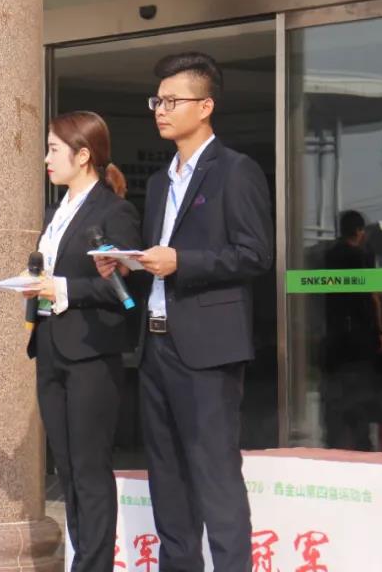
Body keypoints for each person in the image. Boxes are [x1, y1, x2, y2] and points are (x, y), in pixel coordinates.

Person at [96, 52, 273, 572]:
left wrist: (182, 261)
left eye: (173, 101)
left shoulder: (235, 171)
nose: (161, 110)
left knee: (215, 476)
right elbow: (160, 260)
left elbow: (256, 255)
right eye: (157, 100)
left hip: (209, 349)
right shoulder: (159, 182)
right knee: (167, 477)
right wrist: (128, 264)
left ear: (206, 105)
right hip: (156, 345)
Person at [23, 112, 141, 572]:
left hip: (92, 353)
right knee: (68, 469)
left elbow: (125, 289)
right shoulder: (55, 213)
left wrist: (62, 288)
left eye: (54, 149)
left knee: (90, 467)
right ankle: (82, 561)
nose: (46, 159)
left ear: (84, 154)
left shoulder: (114, 212)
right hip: (51, 346)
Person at [321, 210, 382, 450]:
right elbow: (374, 296)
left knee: (336, 395)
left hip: (335, 336)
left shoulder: (330, 256)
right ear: (359, 231)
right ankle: (362, 447)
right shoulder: (362, 256)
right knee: (360, 393)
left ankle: (336, 445)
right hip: (361, 336)